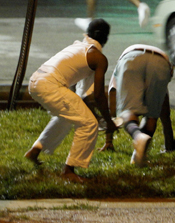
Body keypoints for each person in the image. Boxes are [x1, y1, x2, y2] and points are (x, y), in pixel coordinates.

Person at [24, 19, 116, 182]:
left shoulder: (78, 47)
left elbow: (83, 97)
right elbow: (99, 96)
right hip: (50, 85)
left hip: (35, 81)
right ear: (105, 39)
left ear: (87, 34)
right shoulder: (98, 57)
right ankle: (69, 171)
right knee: (88, 124)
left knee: (66, 118)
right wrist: (108, 121)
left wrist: (97, 115)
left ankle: (34, 152)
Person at [105, 44, 174, 166]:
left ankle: (138, 136)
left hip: (131, 58)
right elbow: (164, 108)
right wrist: (169, 144)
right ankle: (138, 156)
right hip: (162, 62)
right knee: (152, 116)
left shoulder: (120, 65)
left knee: (127, 112)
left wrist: (109, 140)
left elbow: (112, 93)